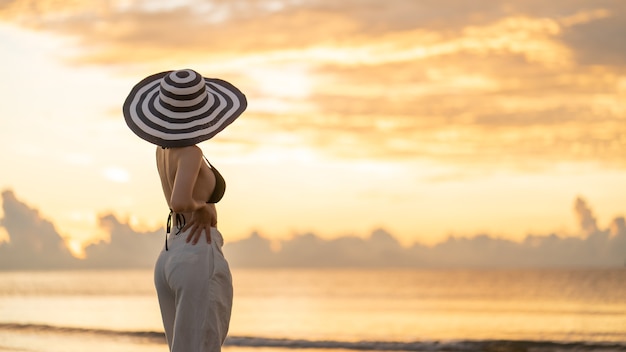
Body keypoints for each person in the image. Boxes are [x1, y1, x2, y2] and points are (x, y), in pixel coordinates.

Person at [122, 68, 247, 352]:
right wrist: (203, 207)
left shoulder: (161, 150)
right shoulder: (192, 152)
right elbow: (179, 202)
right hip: (197, 251)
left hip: (170, 254)